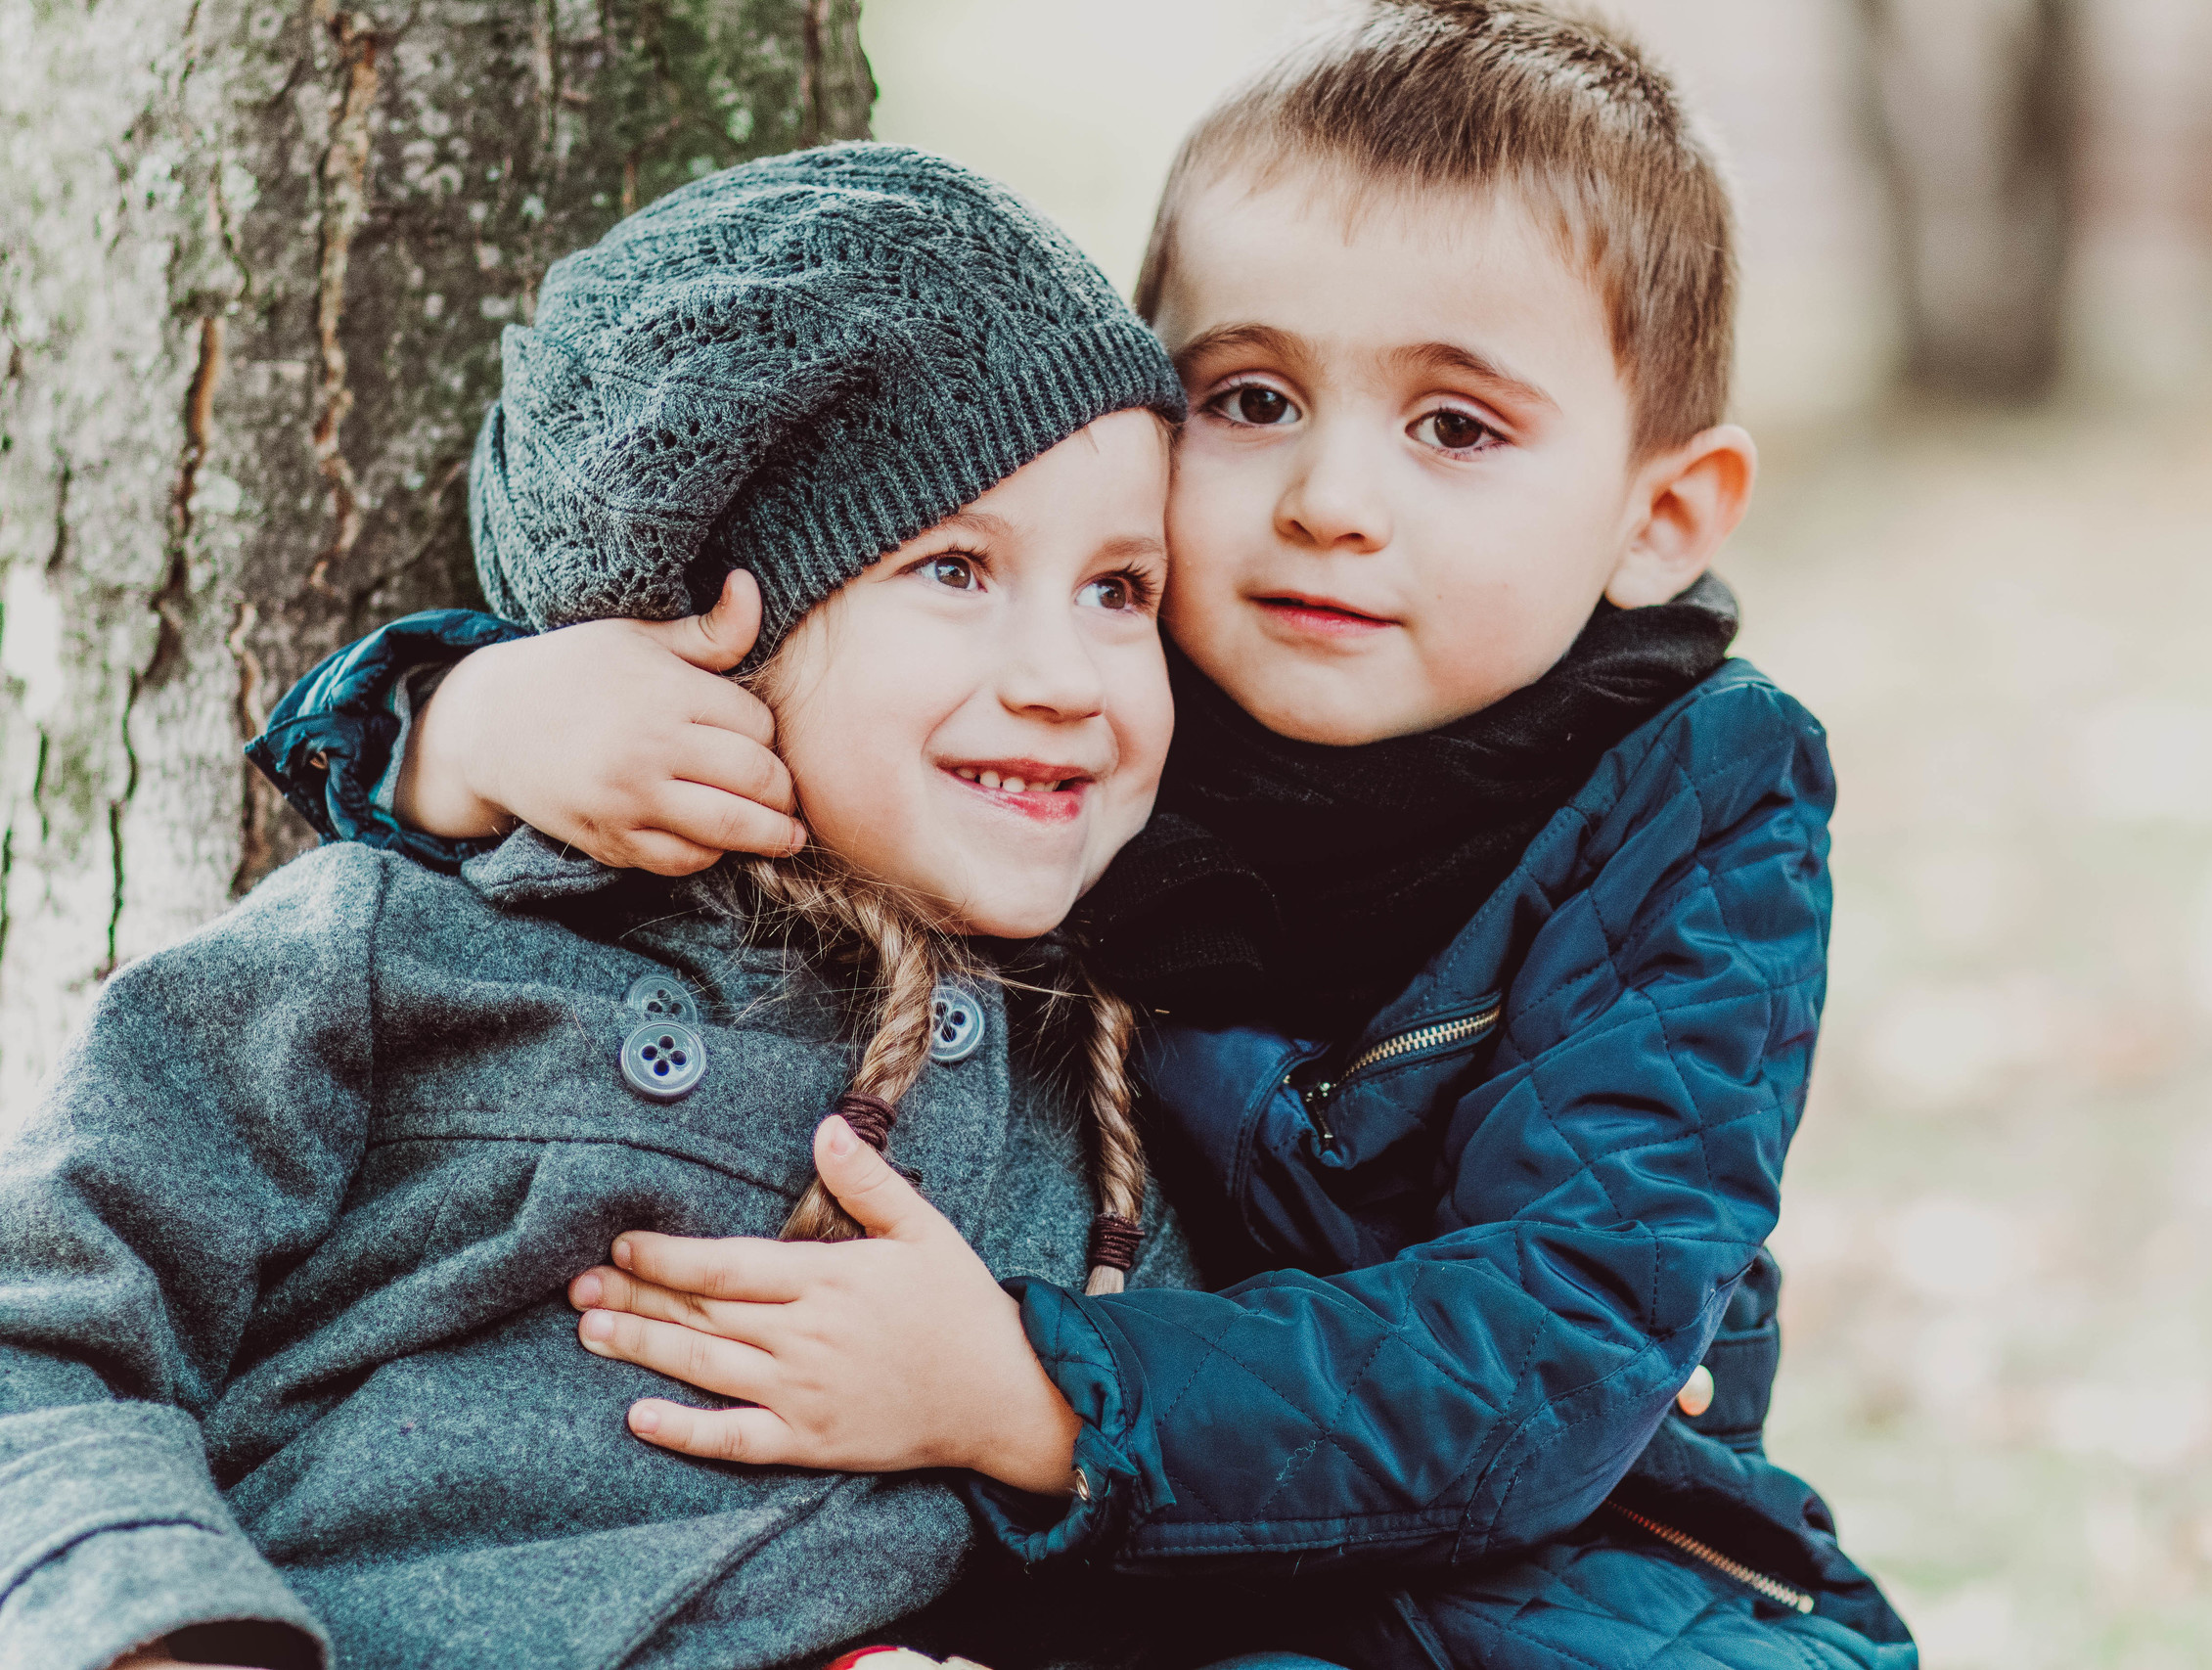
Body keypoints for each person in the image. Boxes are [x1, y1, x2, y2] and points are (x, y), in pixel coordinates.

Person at [248, 6, 1917, 1667]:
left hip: (1556, 1573)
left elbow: (1548, 1355)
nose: (1331, 497)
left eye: (1454, 427)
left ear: (1661, 515)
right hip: (1082, 1561)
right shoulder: (1091, 699)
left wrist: (1028, 1391)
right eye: (1252, 397)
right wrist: (458, 731)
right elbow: (768, 725)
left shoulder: (1702, 797)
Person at [0, 147, 1213, 1670]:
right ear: (691, 630)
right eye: (954, 567)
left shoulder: (1094, 1116)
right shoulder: (410, 944)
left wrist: (1021, 1437)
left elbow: (1181, 1539)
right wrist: (149, 1631)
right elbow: (40, 1324)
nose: (1064, 676)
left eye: (1122, 590)